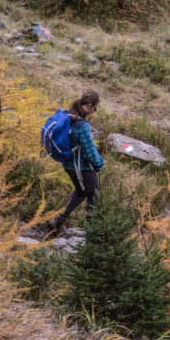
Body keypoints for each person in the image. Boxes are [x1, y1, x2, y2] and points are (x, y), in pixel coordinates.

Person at [44, 91, 104, 236]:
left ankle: (56, 220)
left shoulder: (67, 117)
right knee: (95, 197)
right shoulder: (82, 126)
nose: (93, 111)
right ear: (89, 105)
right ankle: (92, 234)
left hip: (68, 165)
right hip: (82, 167)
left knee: (81, 192)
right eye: (94, 109)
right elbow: (89, 151)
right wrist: (99, 164)